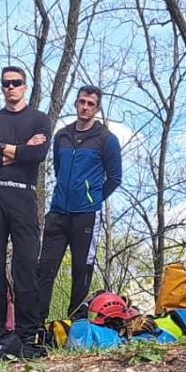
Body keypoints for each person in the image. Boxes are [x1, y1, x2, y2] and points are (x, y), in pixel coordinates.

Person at [0, 66, 51, 360]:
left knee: (26, 266)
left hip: (24, 196)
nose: (11, 87)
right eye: (6, 83)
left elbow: (37, 155)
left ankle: (27, 336)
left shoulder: (39, 120)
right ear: (1, 87)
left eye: (16, 83)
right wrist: (18, 150)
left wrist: (2, 148)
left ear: (25, 86)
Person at [37, 86, 124, 318]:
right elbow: (58, 170)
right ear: (76, 104)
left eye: (90, 104)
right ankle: (35, 325)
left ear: (97, 108)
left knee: (81, 270)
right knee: (45, 268)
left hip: (86, 214)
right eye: (82, 102)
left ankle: (76, 322)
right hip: (57, 212)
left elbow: (115, 178)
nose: (85, 107)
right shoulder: (61, 136)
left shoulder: (107, 139)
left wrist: (92, 198)